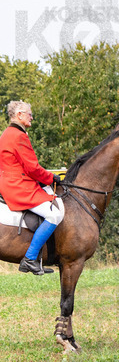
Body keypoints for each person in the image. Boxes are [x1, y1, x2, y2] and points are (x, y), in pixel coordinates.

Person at [0, 101, 64, 275]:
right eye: (29, 114)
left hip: (11, 183)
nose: (32, 117)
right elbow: (32, 168)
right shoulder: (18, 136)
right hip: (18, 187)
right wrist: (51, 178)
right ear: (19, 115)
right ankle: (30, 258)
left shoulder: (7, 133)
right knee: (55, 214)